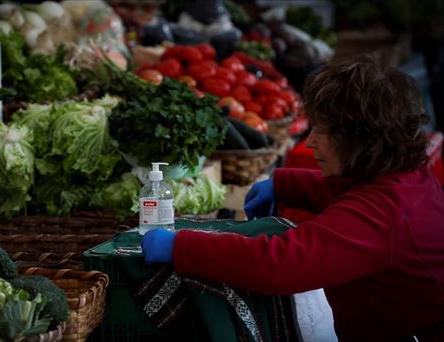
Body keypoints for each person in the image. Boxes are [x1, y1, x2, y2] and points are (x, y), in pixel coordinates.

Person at [141, 55, 444, 341]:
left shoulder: (381, 215)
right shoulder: (407, 174)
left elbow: (279, 264)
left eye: (320, 131)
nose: (310, 141)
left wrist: (181, 246)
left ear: (358, 140)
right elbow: (354, 192)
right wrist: (285, 185)